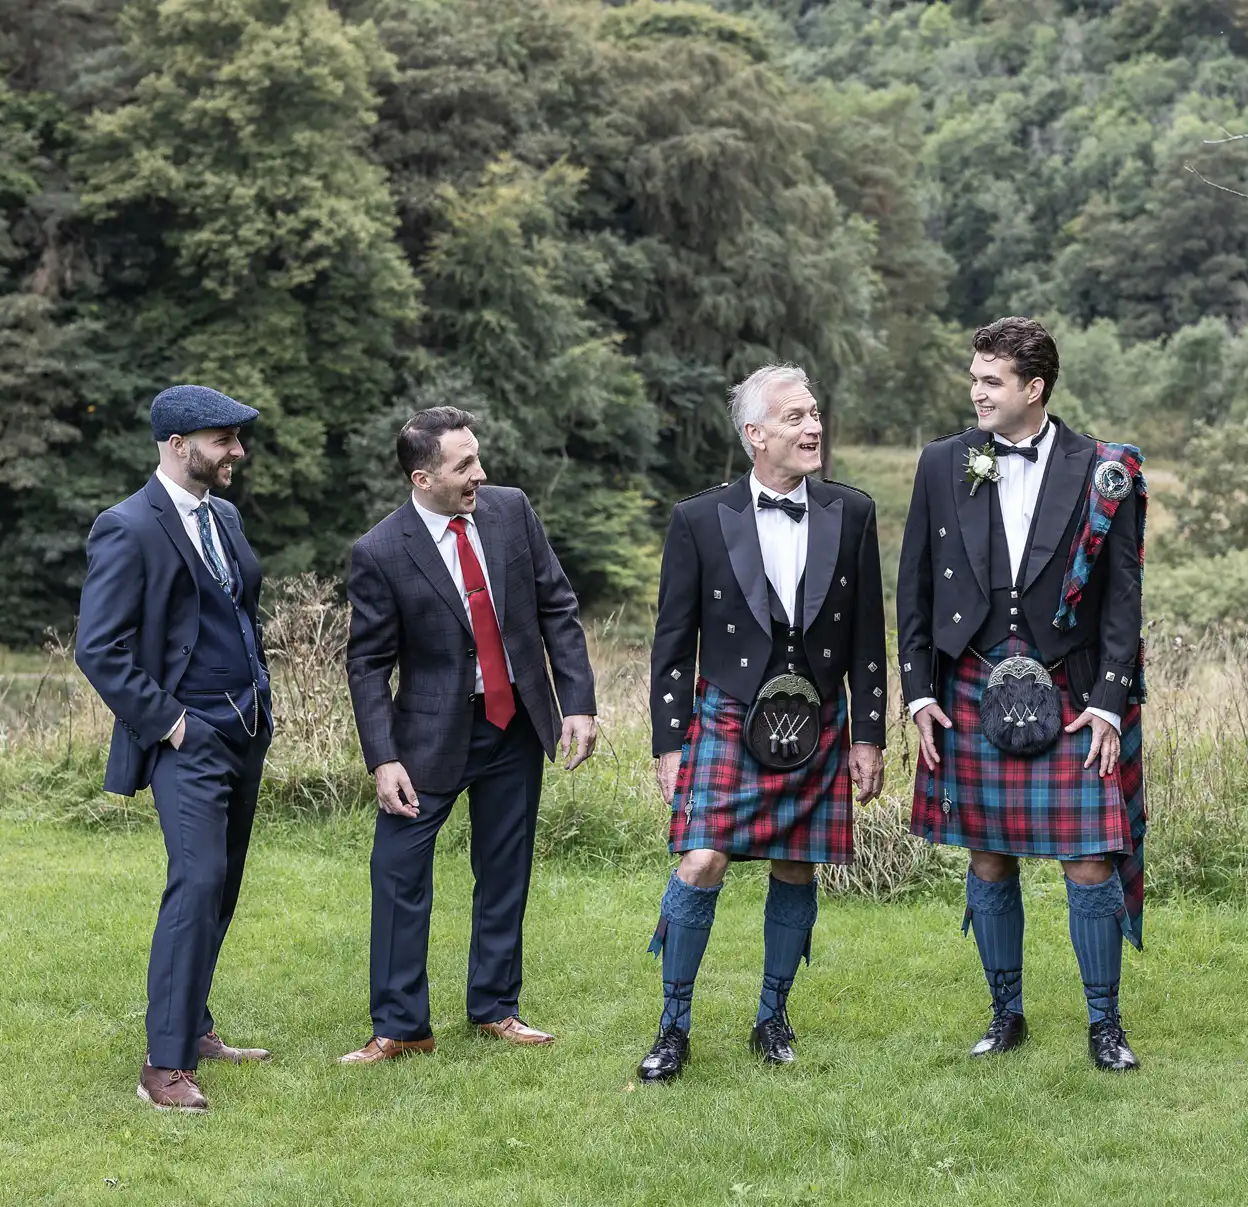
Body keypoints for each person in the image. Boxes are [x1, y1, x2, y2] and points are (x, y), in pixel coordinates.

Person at [899, 317, 1148, 1071]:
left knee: (1089, 859)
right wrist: (917, 693)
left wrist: (1109, 698)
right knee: (988, 856)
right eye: (974, 379)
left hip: (1070, 687)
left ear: (1033, 388)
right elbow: (911, 585)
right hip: (971, 680)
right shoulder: (944, 462)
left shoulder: (1103, 468)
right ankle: (1006, 1014)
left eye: (991, 381)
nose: (976, 392)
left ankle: (1104, 1024)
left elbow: (1123, 596)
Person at [639, 365, 887, 1082]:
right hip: (726, 713)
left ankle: (773, 1016)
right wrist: (668, 740)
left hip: (815, 716)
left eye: (814, 414)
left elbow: (869, 637)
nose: (813, 427)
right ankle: (673, 1026)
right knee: (701, 860)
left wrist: (867, 733)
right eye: (794, 418)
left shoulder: (852, 511)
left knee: (796, 863)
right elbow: (671, 641)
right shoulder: (698, 518)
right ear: (756, 435)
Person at [340, 407, 598, 1065]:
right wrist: (383, 757)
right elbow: (367, 663)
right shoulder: (379, 550)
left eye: (478, 458)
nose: (479, 474)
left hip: (515, 724)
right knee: (398, 873)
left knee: (505, 869)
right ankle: (402, 1027)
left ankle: (496, 1008)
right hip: (425, 738)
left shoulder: (512, 511)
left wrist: (578, 703)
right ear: (422, 477)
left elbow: (558, 610)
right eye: (464, 466)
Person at [76, 385, 275, 1113]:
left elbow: (237, 611)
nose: (237, 453)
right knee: (194, 883)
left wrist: (259, 697)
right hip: (186, 739)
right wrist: (173, 723)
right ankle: (162, 1066)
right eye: (224, 439)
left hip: (246, 728)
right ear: (178, 443)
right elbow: (98, 648)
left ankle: (194, 1023)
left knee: (220, 886)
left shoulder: (223, 515)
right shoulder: (126, 526)